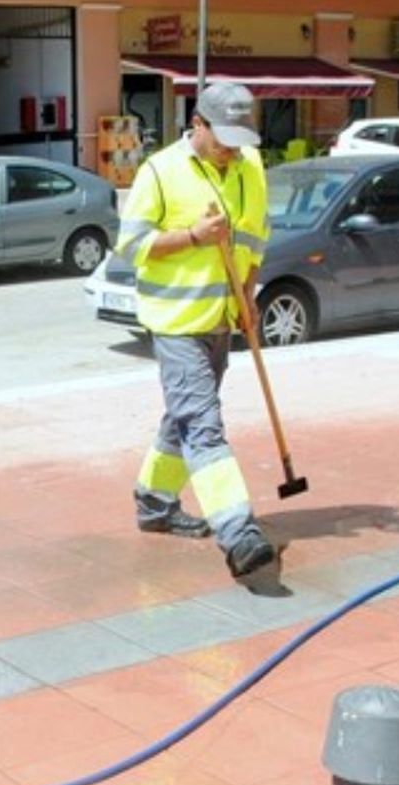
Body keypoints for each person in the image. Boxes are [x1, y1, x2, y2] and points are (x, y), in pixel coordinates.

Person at [114, 81, 277, 579]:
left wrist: (248, 293)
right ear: (198, 124)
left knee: (182, 419)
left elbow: (255, 235)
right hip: (176, 322)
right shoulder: (160, 171)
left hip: (221, 320)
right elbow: (132, 245)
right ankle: (238, 532)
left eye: (240, 137)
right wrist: (192, 237)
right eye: (223, 136)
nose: (232, 148)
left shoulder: (250, 168)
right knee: (203, 425)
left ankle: (154, 503)